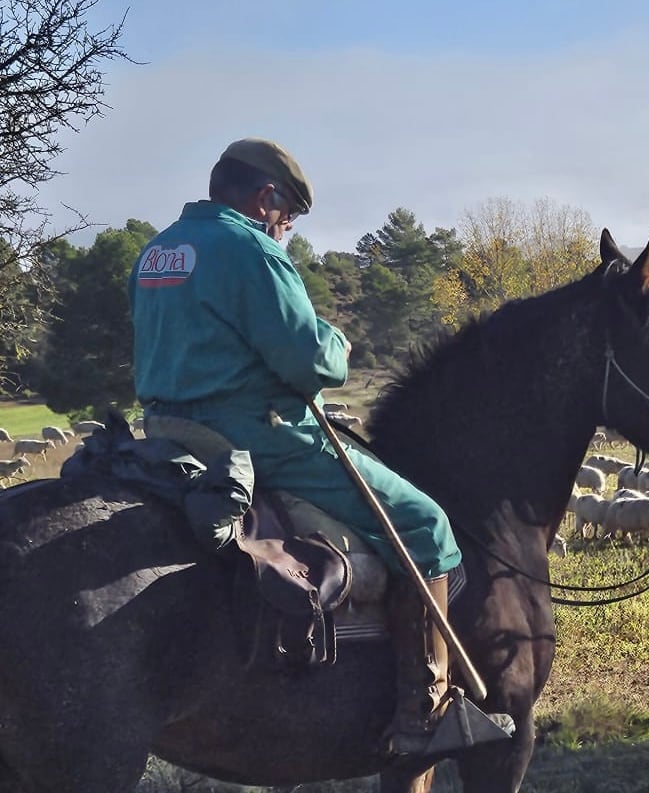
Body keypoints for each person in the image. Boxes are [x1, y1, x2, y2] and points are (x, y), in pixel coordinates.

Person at [128, 137, 511, 758]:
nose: (285, 228)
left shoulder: (157, 250)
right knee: (424, 523)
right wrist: (337, 344)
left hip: (167, 434)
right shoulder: (250, 248)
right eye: (287, 216)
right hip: (255, 436)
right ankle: (427, 708)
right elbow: (308, 360)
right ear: (266, 197)